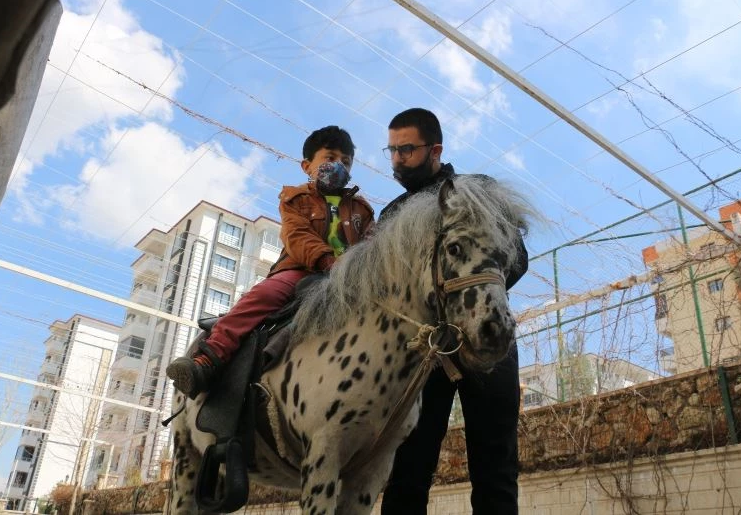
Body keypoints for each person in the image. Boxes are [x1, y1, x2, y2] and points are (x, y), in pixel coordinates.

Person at [378, 108, 528, 515]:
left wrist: (467, 300)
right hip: (420, 353)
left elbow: (515, 257)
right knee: (407, 469)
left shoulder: (478, 189)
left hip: (486, 334)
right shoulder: (390, 216)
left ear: (435, 149)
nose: (396, 159)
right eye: (391, 150)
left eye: (406, 149)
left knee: (496, 468)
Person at [166, 125, 375, 398]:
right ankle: (209, 357)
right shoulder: (295, 199)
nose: (339, 165)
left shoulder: (361, 208)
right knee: (263, 295)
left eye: (346, 162)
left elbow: (373, 244)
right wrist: (327, 260)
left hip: (351, 279)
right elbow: (296, 236)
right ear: (306, 165)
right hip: (301, 270)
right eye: (330, 158)